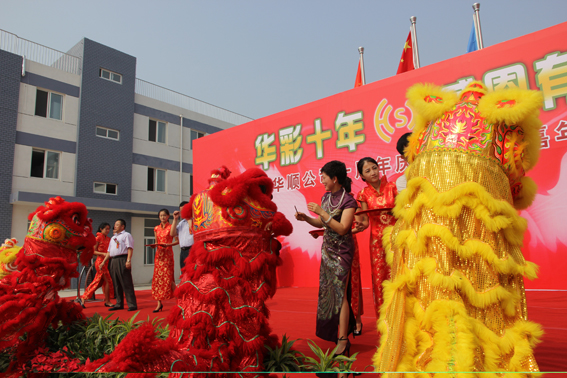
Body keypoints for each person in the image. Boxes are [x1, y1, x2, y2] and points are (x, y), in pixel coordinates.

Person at [295, 160, 357, 358]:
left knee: (341, 294)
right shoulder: (326, 198)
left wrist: (321, 212)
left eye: (323, 177)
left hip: (343, 252)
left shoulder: (349, 201)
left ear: (335, 178)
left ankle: (343, 340)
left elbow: (342, 228)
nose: (321, 181)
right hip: (327, 250)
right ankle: (337, 333)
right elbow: (323, 224)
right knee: (329, 293)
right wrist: (306, 218)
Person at [356, 157, 397, 321]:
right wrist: (357, 225)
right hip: (377, 243)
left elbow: (401, 211)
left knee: (399, 277)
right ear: (362, 176)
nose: (373, 172)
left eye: (374, 168)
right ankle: (385, 323)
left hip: (396, 239)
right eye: (368, 171)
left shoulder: (392, 187)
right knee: (380, 281)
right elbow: (365, 221)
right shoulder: (363, 194)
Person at [76, 222, 114, 308]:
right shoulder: (97, 238)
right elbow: (93, 251)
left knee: (99, 283)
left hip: (106, 262)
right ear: (101, 229)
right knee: (108, 281)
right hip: (100, 262)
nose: (108, 230)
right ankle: (107, 301)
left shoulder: (109, 239)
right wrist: (103, 254)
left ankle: (83, 298)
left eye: (109, 229)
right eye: (106, 229)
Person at [150, 208, 178, 312]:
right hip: (159, 256)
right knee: (157, 279)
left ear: (168, 216)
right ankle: (158, 303)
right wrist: (154, 246)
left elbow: (177, 241)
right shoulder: (156, 228)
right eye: (161, 215)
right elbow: (156, 242)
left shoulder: (171, 227)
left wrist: (168, 245)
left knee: (168, 278)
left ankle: (179, 299)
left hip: (168, 255)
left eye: (164, 215)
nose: (162, 217)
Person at [108, 219, 137, 311]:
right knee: (116, 283)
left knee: (126, 282)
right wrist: (104, 261)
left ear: (122, 226)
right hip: (113, 260)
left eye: (117, 225)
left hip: (122, 259)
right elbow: (109, 251)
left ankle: (132, 304)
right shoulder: (113, 238)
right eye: (115, 224)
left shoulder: (126, 235)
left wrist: (128, 260)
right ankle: (119, 303)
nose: (115, 226)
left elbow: (130, 248)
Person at [171, 201, 194, 272]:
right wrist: (175, 219)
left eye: (184, 210)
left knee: (192, 272)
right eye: (181, 211)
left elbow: (193, 230)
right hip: (183, 251)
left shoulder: (195, 220)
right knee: (183, 273)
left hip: (192, 250)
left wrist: (188, 218)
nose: (182, 213)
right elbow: (172, 234)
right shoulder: (181, 223)